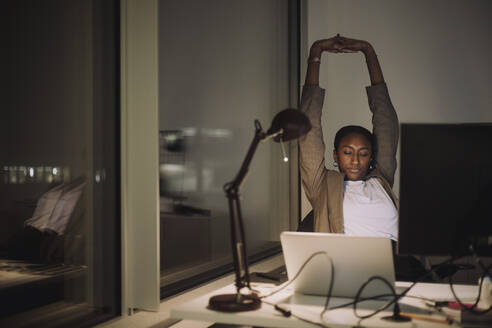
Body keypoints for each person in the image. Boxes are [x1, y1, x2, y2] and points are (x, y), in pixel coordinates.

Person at [299, 35, 399, 242]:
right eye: (347, 152)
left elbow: (386, 121)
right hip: (351, 265)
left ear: (371, 156)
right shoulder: (322, 185)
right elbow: (309, 125)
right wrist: (315, 53)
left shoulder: (381, 180)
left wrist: (368, 52)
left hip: (398, 263)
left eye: (363, 153)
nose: (355, 160)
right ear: (336, 155)